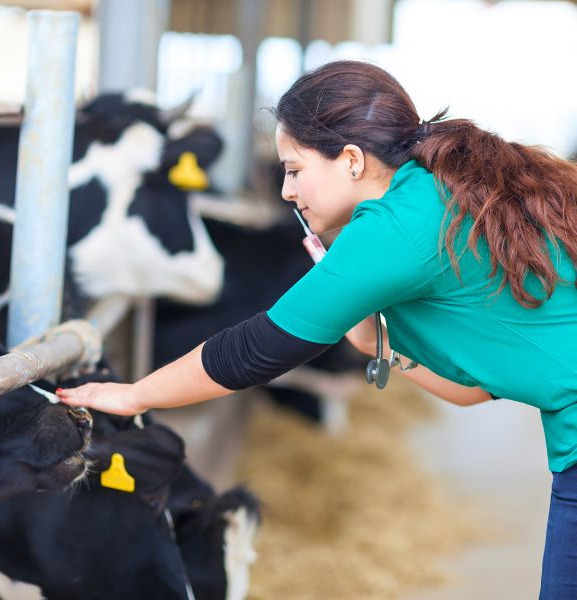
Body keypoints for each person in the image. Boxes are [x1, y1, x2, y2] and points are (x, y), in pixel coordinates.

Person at [56, 60, 577, 598]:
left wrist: (135, 393)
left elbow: (259, 349)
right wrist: (378, 344)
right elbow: (473, 391)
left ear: (351, 160)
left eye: (294, 168)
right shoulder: (435, 196)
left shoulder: (394, 227)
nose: (285, 190)